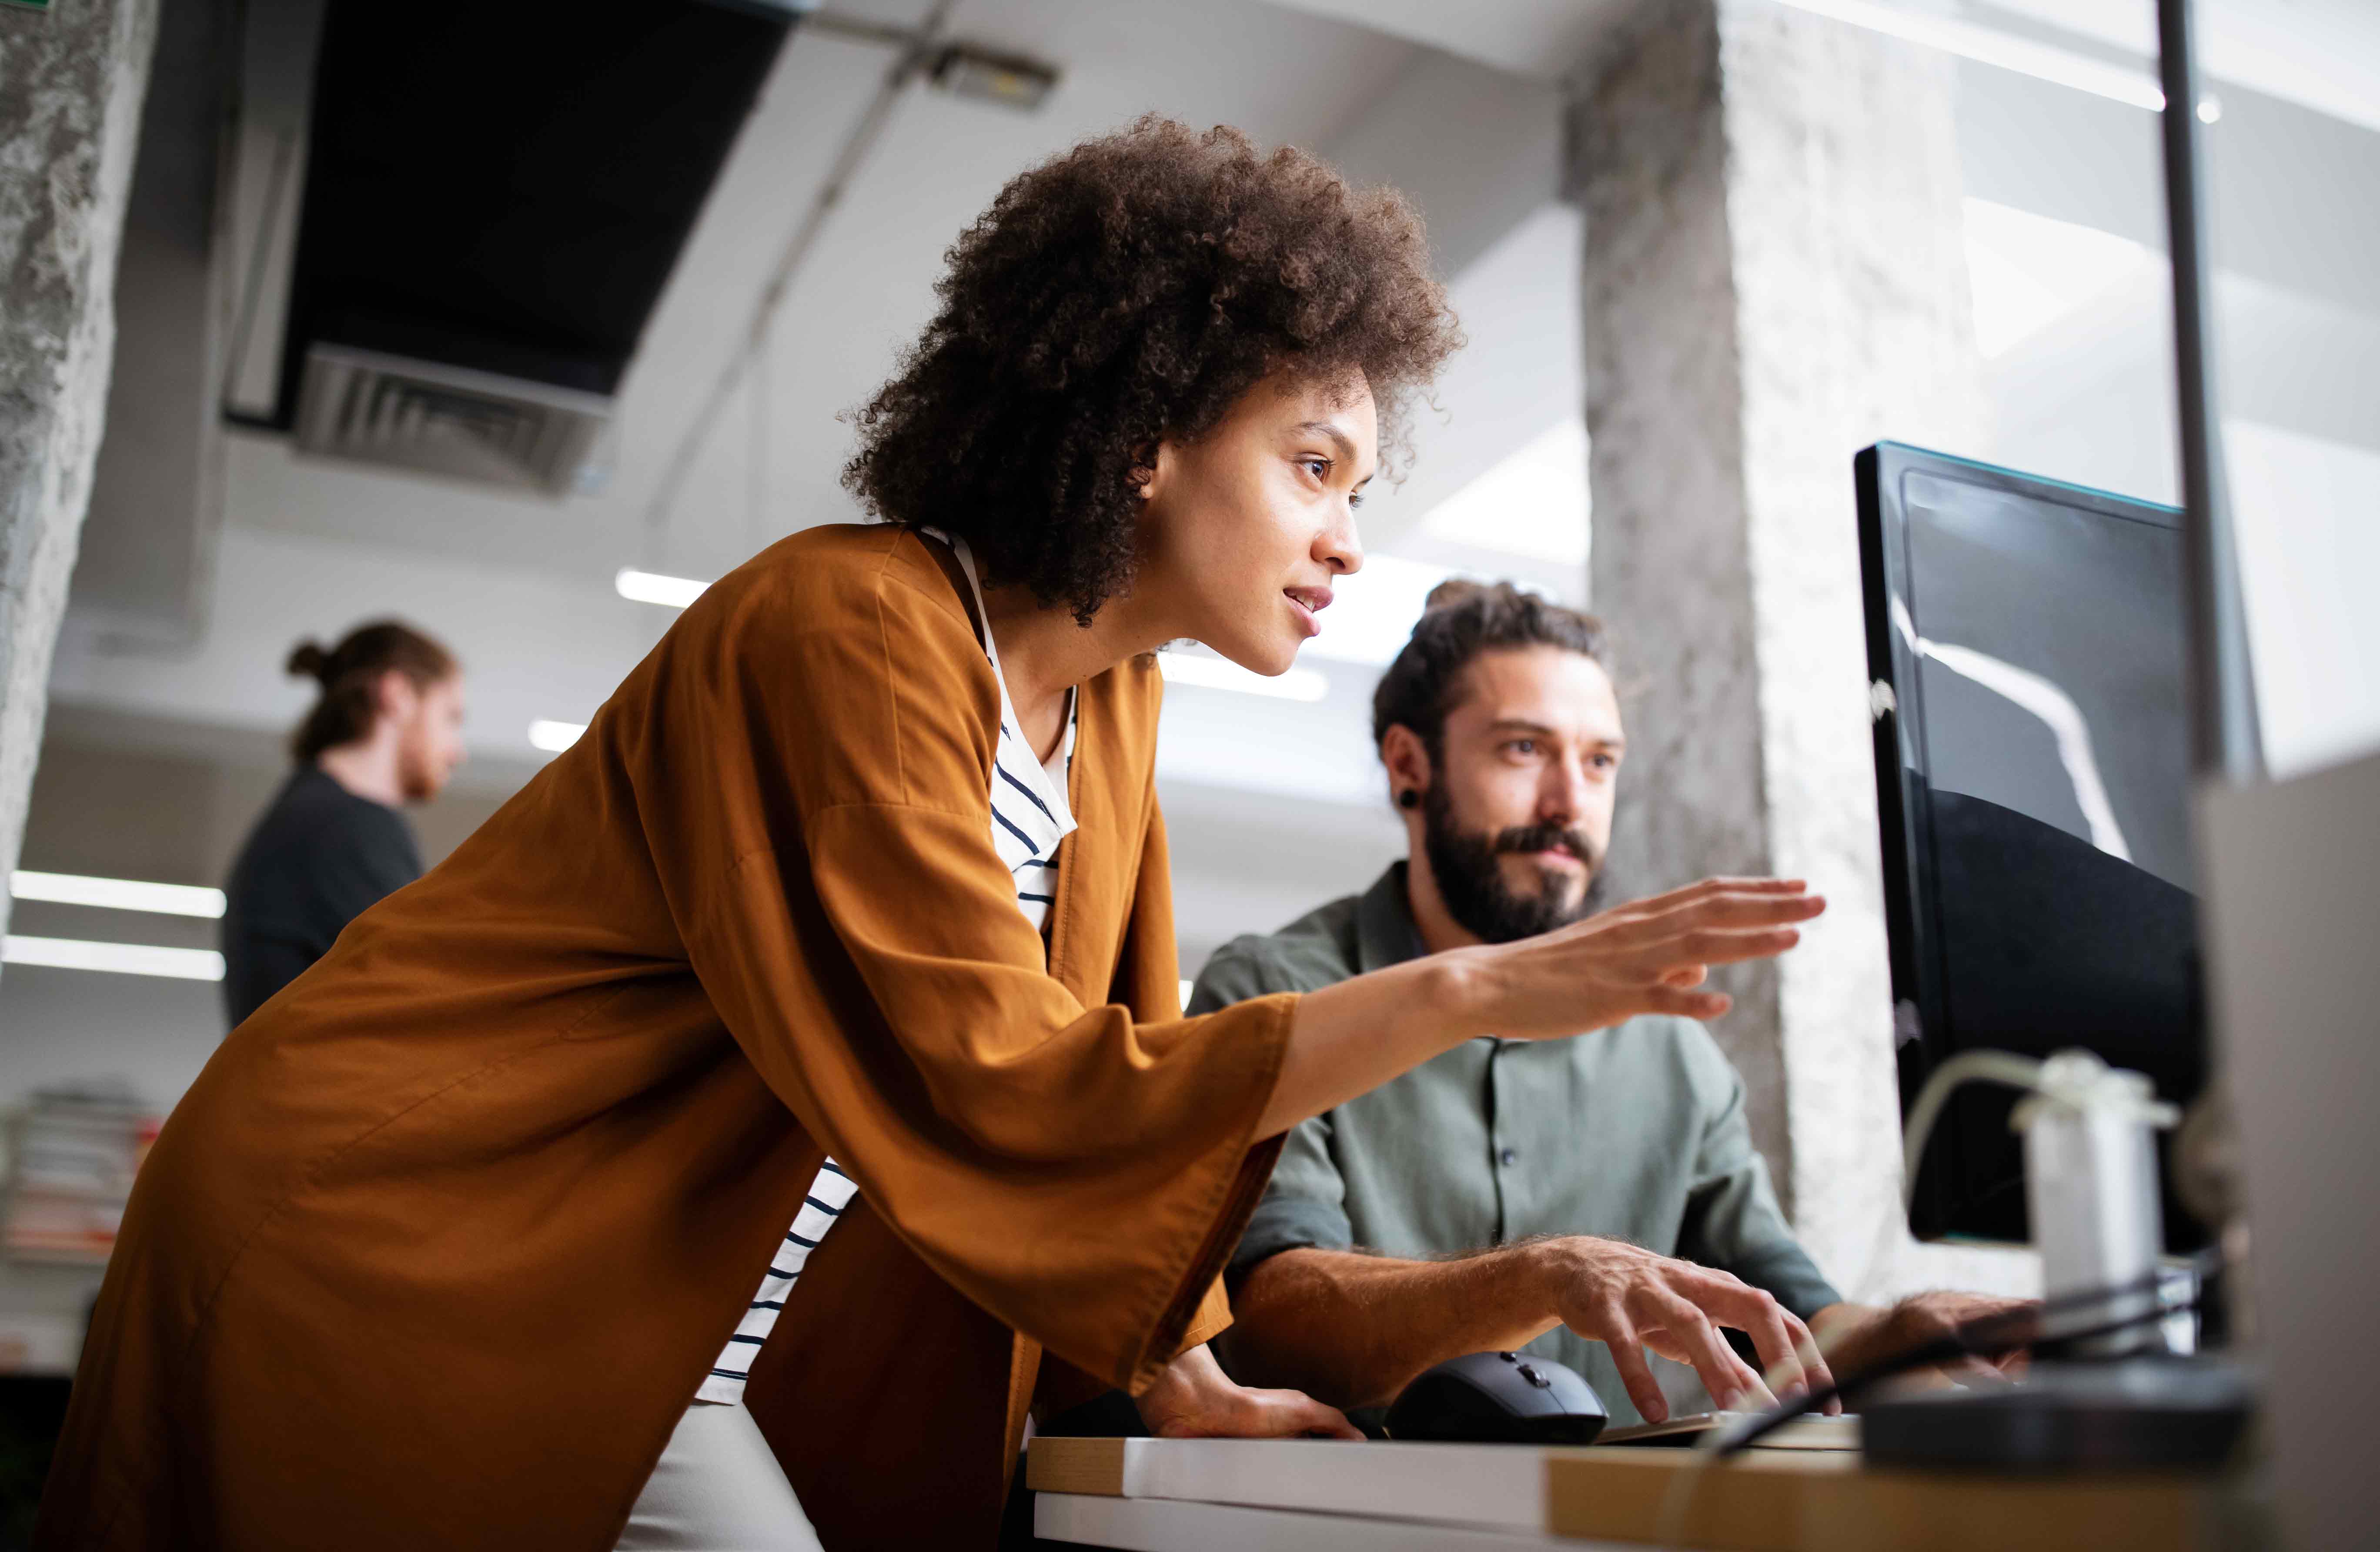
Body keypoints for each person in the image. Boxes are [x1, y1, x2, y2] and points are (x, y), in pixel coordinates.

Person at [37, 120, 1827, 1552]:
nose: (1346, 537)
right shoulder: (851, 628)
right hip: (408, 1243)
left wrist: (1189, 1380)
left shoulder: (1109, 707)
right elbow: (1012, 1082)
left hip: (658, 1331)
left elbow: (1122, 1102)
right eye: (1313, 465)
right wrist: (1478, 987)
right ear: (1145, 436)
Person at [1197, 582, 2028, 1430]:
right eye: (1525, 749)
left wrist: (1904, 1333)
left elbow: (1792, 1312)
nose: (1570, 802)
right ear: (1410, 764)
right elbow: (1269, 1323)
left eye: (1599, 761)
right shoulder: (1275, 992)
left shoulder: (1672, 1044)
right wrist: (1544, 1275)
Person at [219, 621, 466, 1027]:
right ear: (398, 695)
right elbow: (427, 1006)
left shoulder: (311, 815)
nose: (458, 753)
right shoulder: (347, 826)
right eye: (451, 718)